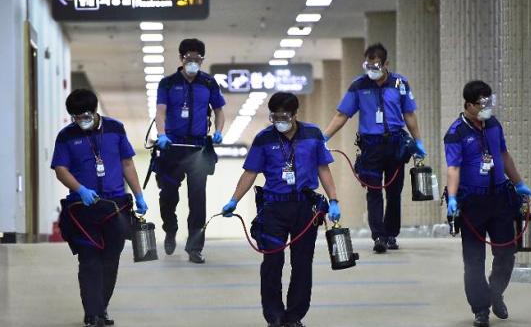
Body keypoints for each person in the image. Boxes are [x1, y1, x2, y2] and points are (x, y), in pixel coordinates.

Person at [221, 92, 341, 327]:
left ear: (295, 115)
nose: (279, 121)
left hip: (305, 208)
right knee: (272, 262)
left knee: (302, 263)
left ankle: (294, 316)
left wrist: (334, 200)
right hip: (274, 208)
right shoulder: (264, 138)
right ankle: (274, 316)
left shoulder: (313, 135)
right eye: (274, 117)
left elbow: (323, 169)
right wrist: (234, 200)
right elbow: (250, 172)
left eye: (284, 116)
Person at [51, 89, 148, 327]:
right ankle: (93, 313)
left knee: (110, 260)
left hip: (115, 206)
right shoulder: (66, 136)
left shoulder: (115, 129)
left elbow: (127, 163)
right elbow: (61, 169)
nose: (80, 120)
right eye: (75, 116)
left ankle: (101, 308)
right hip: (82, 207)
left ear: (95, 111)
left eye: (84, 114)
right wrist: (80, 189)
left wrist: (139, 195)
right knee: (89, 259)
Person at [443, 80, 531, 327]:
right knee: (474, 260)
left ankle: (495, 293)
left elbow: (503, 154)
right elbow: (453, 168)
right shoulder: (455, 133)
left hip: (500, 198)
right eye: (481, 103)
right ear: (468, 105)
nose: (486, 107)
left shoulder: (493, 124)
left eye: (488, 101)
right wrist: (452, 198)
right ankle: (481, 309)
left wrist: (519, 183)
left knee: (507, 252)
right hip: (472, 201)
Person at [323, 42, 426, 253]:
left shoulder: (400, 84)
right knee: (374, 191)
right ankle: (378, 235)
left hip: (396, 143)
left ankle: (390, 235)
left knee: (394, 192)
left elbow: (409, 115)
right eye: (368, 66)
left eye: (376, 66)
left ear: (386, 63)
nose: (372, 71)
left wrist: (418, 142)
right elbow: (342, 114)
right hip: (371, 145)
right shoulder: (359, 85)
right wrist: (323, 137)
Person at [155, 38, 226, 263]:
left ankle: (194, 247)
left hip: (197, 147)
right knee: (167, 195)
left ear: (202, 60)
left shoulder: (208, 83)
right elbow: (160, 112)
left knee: (198, 199)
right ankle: (170, 228)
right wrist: (162, 135)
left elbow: (219, 112)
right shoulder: (167, 83)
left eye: (198, 59)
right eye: (189, 58)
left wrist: (219, 130)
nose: (193, 62)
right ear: (181, 58)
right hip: (172, 147)